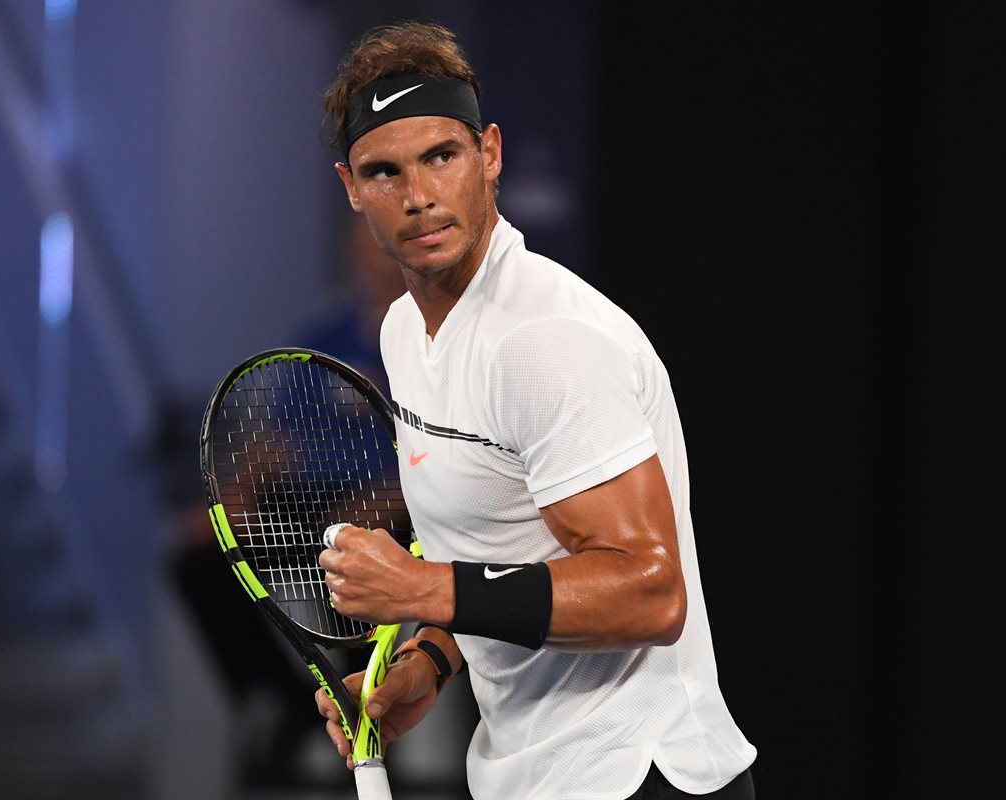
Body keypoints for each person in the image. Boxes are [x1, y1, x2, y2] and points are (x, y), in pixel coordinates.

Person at [313, 21, 757, 799]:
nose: (418, 198)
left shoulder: (548, 341)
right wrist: (428, 664)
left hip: (639, 775)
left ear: (489, 154)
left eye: (441, 157)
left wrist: (424, 591)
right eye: (385, 172)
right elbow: (505, 544)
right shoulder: (405, 334)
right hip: (529, 776)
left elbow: (650, 592)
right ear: (352, 188)